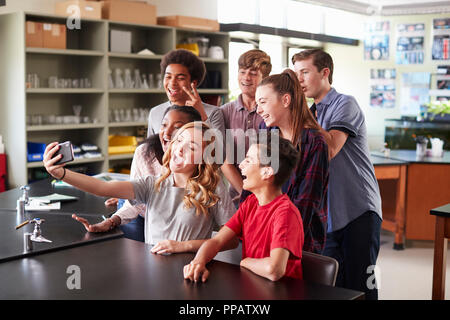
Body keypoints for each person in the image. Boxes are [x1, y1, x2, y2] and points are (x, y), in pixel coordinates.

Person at [43, 121, 236, 255]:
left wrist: (183, 246)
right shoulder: (152, 183)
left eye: (192, 147)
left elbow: (231, 240)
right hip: (152, 269)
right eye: (179, 141)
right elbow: (102, 188)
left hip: (191, 272)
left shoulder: (212, 188)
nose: (179, 149)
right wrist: (61, 174)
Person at [292, 48, 382, 300]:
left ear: (325, 73)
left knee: (362, 289)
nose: (299, 80)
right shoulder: (309, 113)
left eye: (305, 72)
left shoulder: (346, 103)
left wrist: (301, 112)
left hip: (359, 210)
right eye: (296, 73)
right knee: (333, 287)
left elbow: (329, 148)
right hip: (327, 216)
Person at [183, 132, 303, 282]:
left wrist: (244, 262)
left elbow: (274, 270)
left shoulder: (286, 213)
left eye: (248, 160)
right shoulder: (250, 203)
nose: (240, 165)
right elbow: (217, 241)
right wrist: (198, 262)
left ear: (267, 172)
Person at [242, 69, 329, 255]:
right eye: (257, 104)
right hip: (261, 232)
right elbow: (251, 183)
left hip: (298, 240)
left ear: (286, 100)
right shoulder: (265, 133)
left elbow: (306, 202)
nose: (258, 110)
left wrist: (277, 240)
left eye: (263, 102)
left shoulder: (315, 142)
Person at [104, 105, 202, 242]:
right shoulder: (144, 153)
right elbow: (133, 203)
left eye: (177, 127)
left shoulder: (201, 163)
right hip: (144, 214)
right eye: (164, 125)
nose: (167, 133)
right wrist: (111, 221)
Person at [220, 49, 272, 202]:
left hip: (269, 196)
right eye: (242, 72)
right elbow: (222, 159)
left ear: (265, 78)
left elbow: (275, 158)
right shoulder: (225, 112)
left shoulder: (271, 111)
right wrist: (246, 194)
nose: (246, 78)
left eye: (253, 74)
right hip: (236, 197)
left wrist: (261, 196)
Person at [147, 49, 225, 138]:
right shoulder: (155, 112)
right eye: (168, 76)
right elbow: (149, 150)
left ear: (193, 83)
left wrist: (202, 116)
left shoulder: (213, 113)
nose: (172, 83)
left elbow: (219, 150)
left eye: (180, 78)